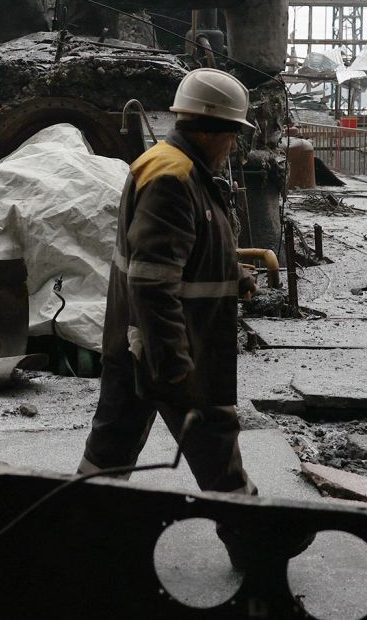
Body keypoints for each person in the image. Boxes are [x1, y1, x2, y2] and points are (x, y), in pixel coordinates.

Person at [77, 68, 259, 556]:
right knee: (214, 441)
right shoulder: (173, 179)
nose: (233, 147)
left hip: (136, 343)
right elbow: (152, 281)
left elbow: (185, 248)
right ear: (210, 129)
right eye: (232, 135)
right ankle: (253, 538)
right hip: (171, 345)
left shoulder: (177, 165)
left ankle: (77, 531)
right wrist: (175, 361)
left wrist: (232, 271)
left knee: (112, 444)